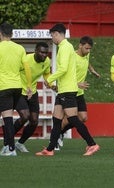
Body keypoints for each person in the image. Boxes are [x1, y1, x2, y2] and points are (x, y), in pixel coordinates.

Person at [35, 23, 99, 156]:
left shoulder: (64, 47)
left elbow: (63, 68)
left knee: (74, 119)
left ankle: (92, 144)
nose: (52, 38)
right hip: (63, 89)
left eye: (52, 35)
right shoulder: (67, 47)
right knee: (56, 119)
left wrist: (50, 79)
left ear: (57, 34)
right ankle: (50, 149)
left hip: (68, 90)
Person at [57, 36, 100, 149]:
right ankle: (57, 133)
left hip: (79, 93)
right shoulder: (73, 57)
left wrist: (92, 70)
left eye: (90, 49)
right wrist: (76, 84)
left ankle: (60, 132)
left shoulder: (86, 54)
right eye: (86, 48)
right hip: (70, 91)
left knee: (83, 118)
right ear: (80, 46)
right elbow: (65, 76)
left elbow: (87, 62)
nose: (88, 51)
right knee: (72, 118)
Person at [7, 42, 51, 153]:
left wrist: (50, 82)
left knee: (34, 121)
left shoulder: (47, 61)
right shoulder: (25, 59)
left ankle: (20, 143)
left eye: (46, 53)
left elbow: (46, 74)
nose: (44, 55)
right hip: (19, 92)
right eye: (41, 52)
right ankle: (8, 140)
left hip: (33, 93)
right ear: (35, 51)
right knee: (24, 116)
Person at [0, 22, 31, 156]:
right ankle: (8, 146)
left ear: (0, 34)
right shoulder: (20, 48)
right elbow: (27, 68)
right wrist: (29, 86)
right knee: (7, 117)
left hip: (4, 86)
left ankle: (10, 148)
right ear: (12, 34)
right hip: (17, 87)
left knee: (7, 118)